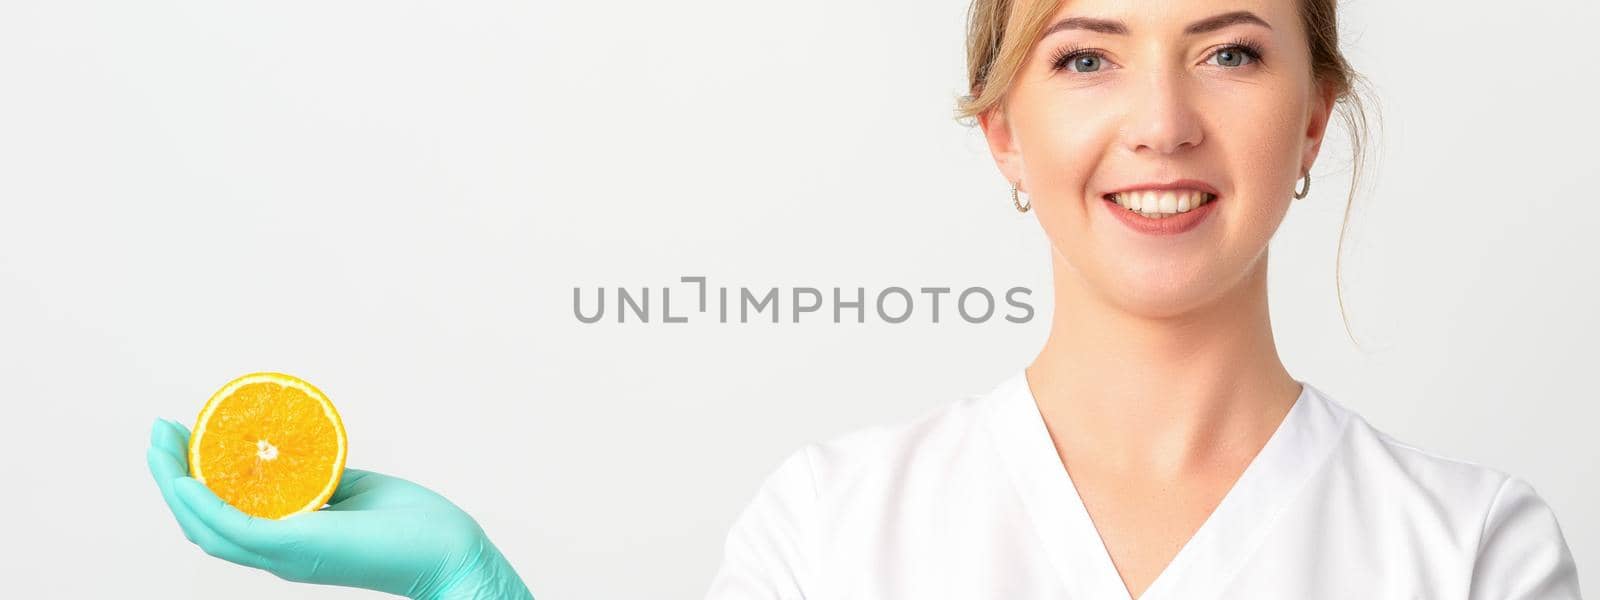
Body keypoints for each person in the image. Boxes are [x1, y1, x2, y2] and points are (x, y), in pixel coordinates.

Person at [148, 0, 1583, 598]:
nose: (1161, 121)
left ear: (1315, 120)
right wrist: (481, 594)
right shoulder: (831, 532)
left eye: (1230, 51)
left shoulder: (1472, 555)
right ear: (1004, 131)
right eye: (1086, 54)